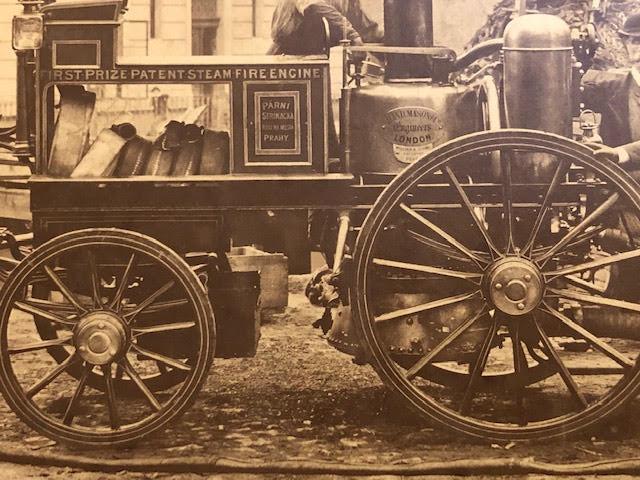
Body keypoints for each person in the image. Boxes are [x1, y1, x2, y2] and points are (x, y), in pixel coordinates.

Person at [583, 12, 640, 166]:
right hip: (623, 184)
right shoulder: (608, 90)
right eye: (636, 41)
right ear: (625, 44)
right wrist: (595, 141)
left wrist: (619, 153)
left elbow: (616, 153)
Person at [267, 0, 382, 55]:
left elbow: (369, 32)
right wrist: (353, 36)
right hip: (287, 56)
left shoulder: (349, 3)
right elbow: (312, 6)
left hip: (315, 59)